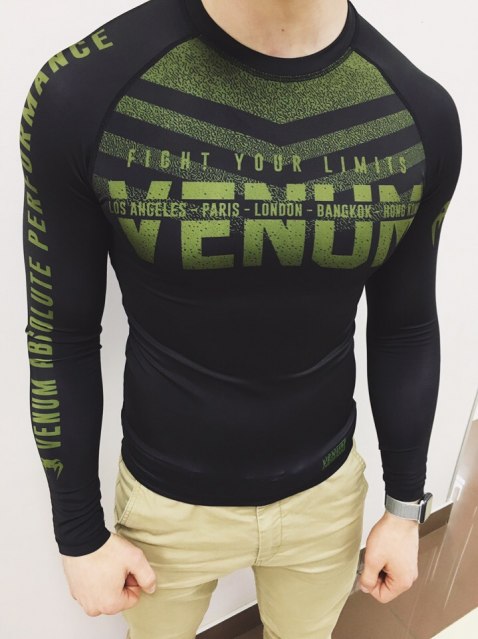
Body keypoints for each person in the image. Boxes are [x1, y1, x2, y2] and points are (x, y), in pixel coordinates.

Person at [19, 0, 461, 637]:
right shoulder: (84, 92)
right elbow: (61, 333)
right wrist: (79, 534)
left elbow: (406, 325)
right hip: (164, 509)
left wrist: (404, 506)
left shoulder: (417, 113)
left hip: (326, 501)